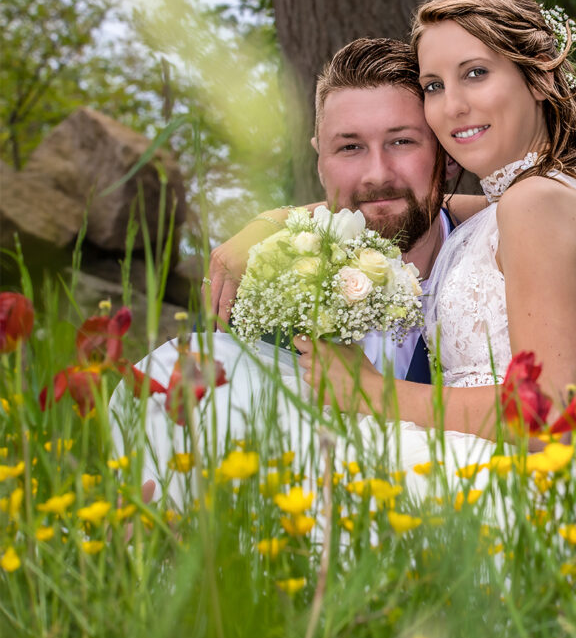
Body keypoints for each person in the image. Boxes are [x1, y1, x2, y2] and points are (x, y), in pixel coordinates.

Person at [295, 0, 576, 501]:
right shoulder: (545, 197)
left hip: (510, 492)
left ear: (538, 78)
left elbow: (545, 407)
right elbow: (413, 205)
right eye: (434, 86)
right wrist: (278, 222)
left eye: (475, 74)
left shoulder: (534, 204)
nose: (452, 105)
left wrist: (371, 392)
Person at [112, 37, 486, 507]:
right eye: (349, 147)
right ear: (319, 159)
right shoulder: (271, 271)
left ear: (447, 156)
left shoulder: (503, 261)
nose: (376, 173)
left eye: (402, 142)